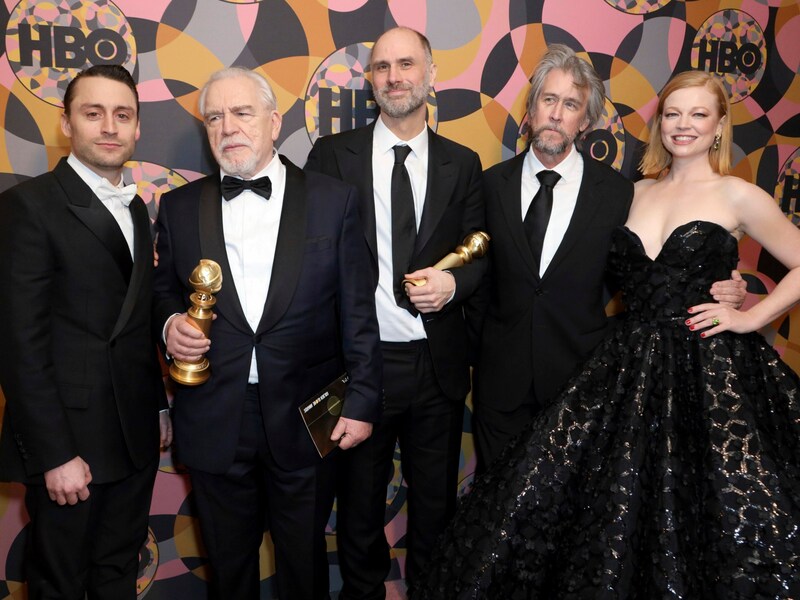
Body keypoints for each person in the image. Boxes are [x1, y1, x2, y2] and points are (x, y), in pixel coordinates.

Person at [411, 69, 800, 598]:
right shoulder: (631, 193)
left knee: (709, 511)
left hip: (708, 378)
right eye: (672, 113)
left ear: (719, 126)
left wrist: (748, 312)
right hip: (627, 372)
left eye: (698, 115)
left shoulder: (738, 194)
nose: (682, 125)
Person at [152, 66, 382, 600]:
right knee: (229, 571)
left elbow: (358, 311)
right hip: (213, 413)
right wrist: (168, 326)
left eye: (241, 113)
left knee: (304, 567)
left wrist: (363, 400)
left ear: (274, 122)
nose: (228, 126)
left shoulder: (334, 199)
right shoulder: (180, 206)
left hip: (306, 415)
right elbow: (163, 291)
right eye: (214, 117)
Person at [470, 44, 746, 473]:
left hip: (583, 383)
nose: (557, 114)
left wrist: (723, 283)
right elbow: (472, 275)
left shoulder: (621, 194)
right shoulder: (487, 185)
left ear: (587, 121)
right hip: (499, 388)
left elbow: (658, 265)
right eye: (548, 100)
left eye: (571, 104)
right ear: (531, 108)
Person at [305, 26, 486, 598]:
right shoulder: (334, 155)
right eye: (382, 67)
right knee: (358, 505)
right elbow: (309, 256)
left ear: (432, 76)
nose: (394, 77)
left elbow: (482, 249)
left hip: (436, 363)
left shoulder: (464, 161)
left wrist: (452, 287)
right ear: (370, 81)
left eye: (407, 64)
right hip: (361, 365)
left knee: (435, 503)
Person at [0, 64, 171, 599]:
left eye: (123, 115)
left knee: (118, 573)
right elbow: (18, 345)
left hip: (134, 435)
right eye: (93, 113)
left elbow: (135, 322)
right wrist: (53, 454)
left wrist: (159, 406)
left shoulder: (138, 208)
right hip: (70, 445)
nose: (109, 127)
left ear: (138, 127)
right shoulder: (28, 207)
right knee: (62, 582)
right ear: (66, 124)